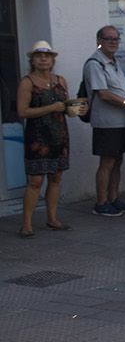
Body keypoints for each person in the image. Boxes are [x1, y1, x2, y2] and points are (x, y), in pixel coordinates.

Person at [19, 41, 79, 234]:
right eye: (39, 56)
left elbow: (66, 109)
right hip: (38, 137)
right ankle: (26, 224)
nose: (43, 59)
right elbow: (22, 111)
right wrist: (50, 108)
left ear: (53, 60)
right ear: (32, 60)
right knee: (35, 181)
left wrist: (76, 109)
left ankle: (52, 218)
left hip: (59, 135)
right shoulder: (27, 82)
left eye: (47, 56)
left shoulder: (60, 81)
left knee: (56, 178)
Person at [83, 25, 125, 217]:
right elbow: (104, 94)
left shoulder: (113, 62)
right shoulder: (95, 63)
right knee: (107, 162)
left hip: (120, 121)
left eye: (116, 39)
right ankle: (101, 202)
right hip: (106, 122)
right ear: (99, 41)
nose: (113, 42)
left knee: (118, 160)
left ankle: (113, 198)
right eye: (109, 39)